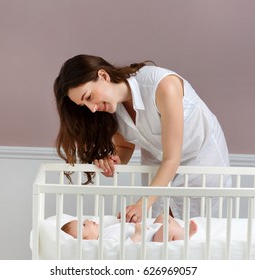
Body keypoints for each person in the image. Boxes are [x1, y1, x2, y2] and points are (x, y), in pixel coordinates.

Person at [54, 54, 231, 221]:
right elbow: (126, 146)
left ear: (103, 76)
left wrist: (143, 203)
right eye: (84, 105)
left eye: (89, 97)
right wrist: (114, 161)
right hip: (158, 161)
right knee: (158, 233)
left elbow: (172, 158)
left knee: (197, 231)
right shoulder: (110, 109)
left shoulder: (163, 86)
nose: (91, 108)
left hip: (199, 157)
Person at [61, 214, 198, 243]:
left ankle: (179, 231)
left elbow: (122, 230)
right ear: (85, 239)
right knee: (167, 229)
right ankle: (183, 235)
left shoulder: (105, 231)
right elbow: (124, 248)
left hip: (151, 230)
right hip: (152, 239)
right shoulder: (106, 242)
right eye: (84, 225)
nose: (89, 221)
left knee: (163, 217)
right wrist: (137, 235)